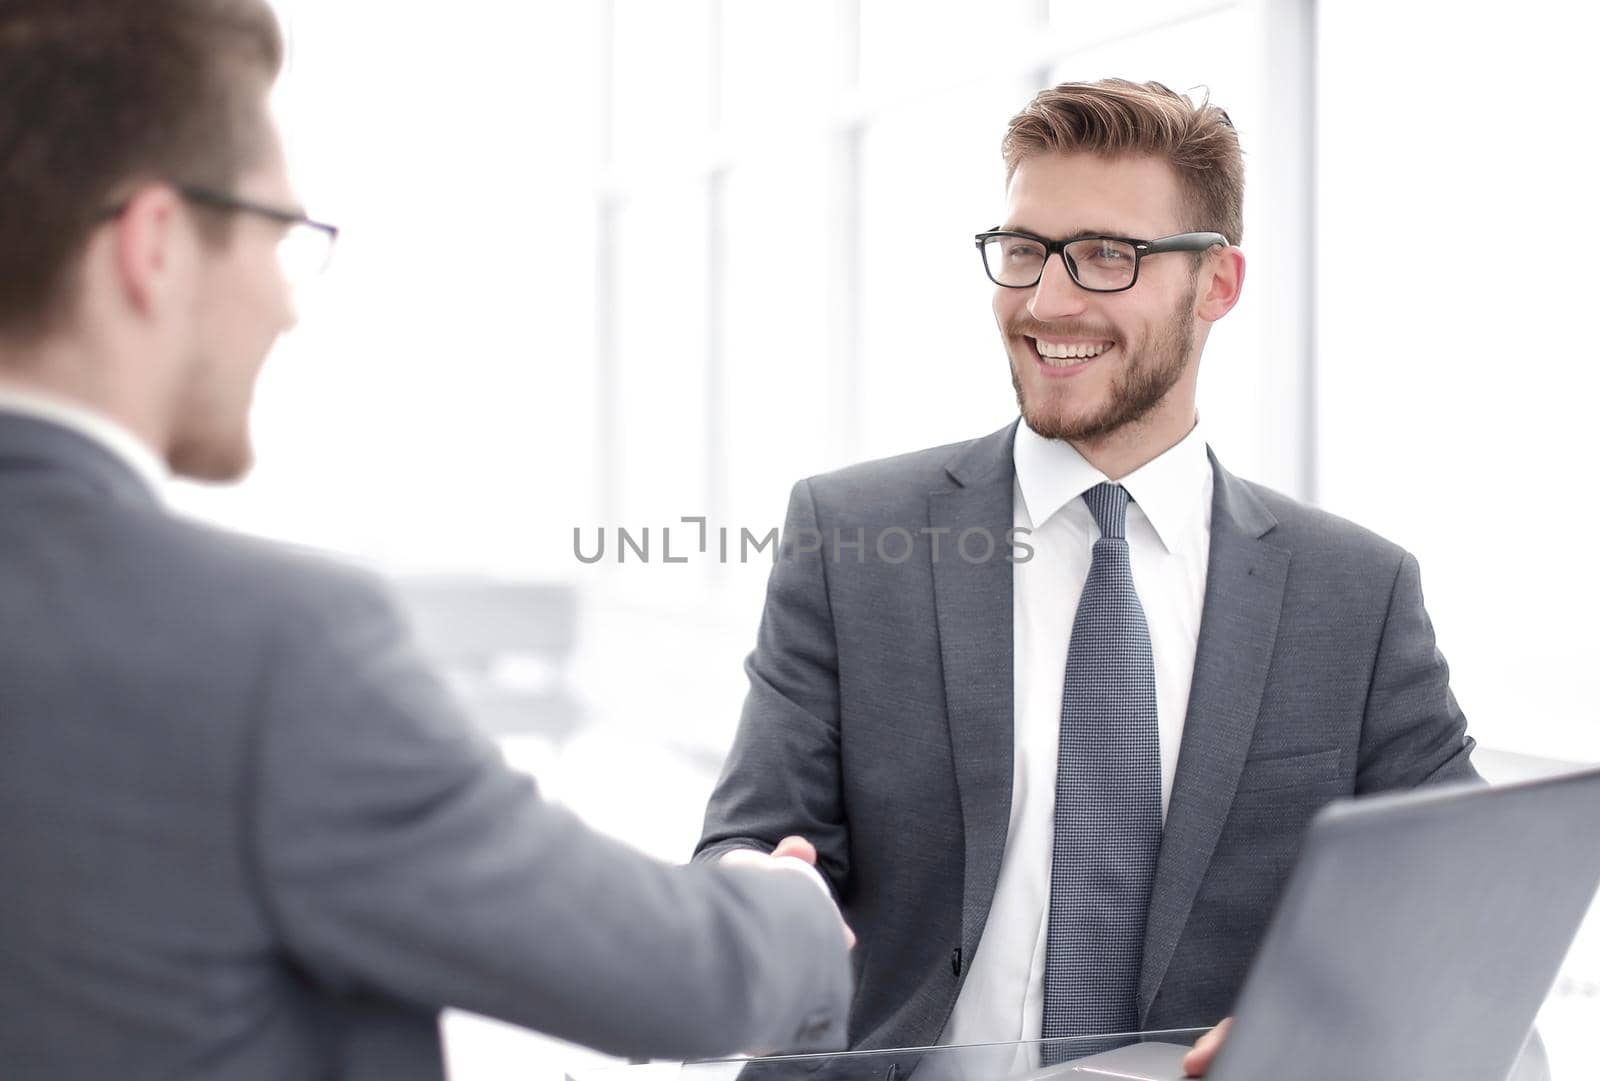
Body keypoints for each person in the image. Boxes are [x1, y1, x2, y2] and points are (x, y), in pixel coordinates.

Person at [0, 2, 850, 1078]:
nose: (286, 307)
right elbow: (675, 977)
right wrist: (792, 910)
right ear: (155, 245)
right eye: (280, 237)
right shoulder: (268, 651)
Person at [695, 78, 1477, 1074]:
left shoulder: (1354, 594)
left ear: (1217, 285)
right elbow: (753, 841)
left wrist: (1327, 1024)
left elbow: (1457, 896)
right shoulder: (849, 535)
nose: (1045, 300)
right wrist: (753, 895)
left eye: (1108, 255)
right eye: (1023, 251)